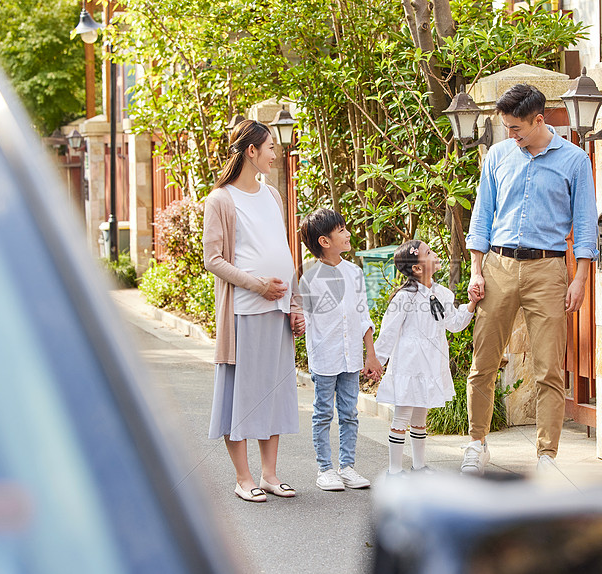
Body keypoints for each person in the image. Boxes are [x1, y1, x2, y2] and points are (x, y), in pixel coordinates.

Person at [461, 83, 598, 476]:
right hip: (498, 267)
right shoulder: (499, 156)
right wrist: (475, 269)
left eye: (517, 128)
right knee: (483, 362)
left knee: (549, 368)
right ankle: (477, 443)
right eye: (506, 127)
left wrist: (580, 278)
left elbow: (585, 223)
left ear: (540, 120)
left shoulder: (574, 160)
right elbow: (482, 216)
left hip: (549, 269)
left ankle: (546, 457)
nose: (511, 135)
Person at [204, 119, 305, 503]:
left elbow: (285, 253)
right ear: (252, 151)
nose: (276, 155)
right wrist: (256, 284)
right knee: (240, 395)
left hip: (278, 310)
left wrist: (293, 303)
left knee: (273, 394)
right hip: (243, 313)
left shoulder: (273, 196)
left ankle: (270, 474)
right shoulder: (220, 200)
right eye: (271, 149)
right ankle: (243, 477)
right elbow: (212, 259)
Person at [373, 241, 481, 475]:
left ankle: (419, 466)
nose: (434, 254)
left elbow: (453, 324)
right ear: (418, 269)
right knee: (402, 416)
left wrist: (471, 304)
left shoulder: (443, 293)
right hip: (409, 363)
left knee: (421, 415)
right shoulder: (404, 297)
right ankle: (394, 471)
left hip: (431, 361)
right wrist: (376, 360)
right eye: (428, 252)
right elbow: (389, 331)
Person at [298, 208, 383, 491]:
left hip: (351, 358)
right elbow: (304, 320)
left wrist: (370, 354)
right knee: (323, 413)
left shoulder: (354, 272)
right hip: (325, 358)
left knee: (349, 413)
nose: (348, 234)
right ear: (325, 241)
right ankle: (325, 469)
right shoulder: (309, 279)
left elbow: (364, 316)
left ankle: (346, 467)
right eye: (342, 230)